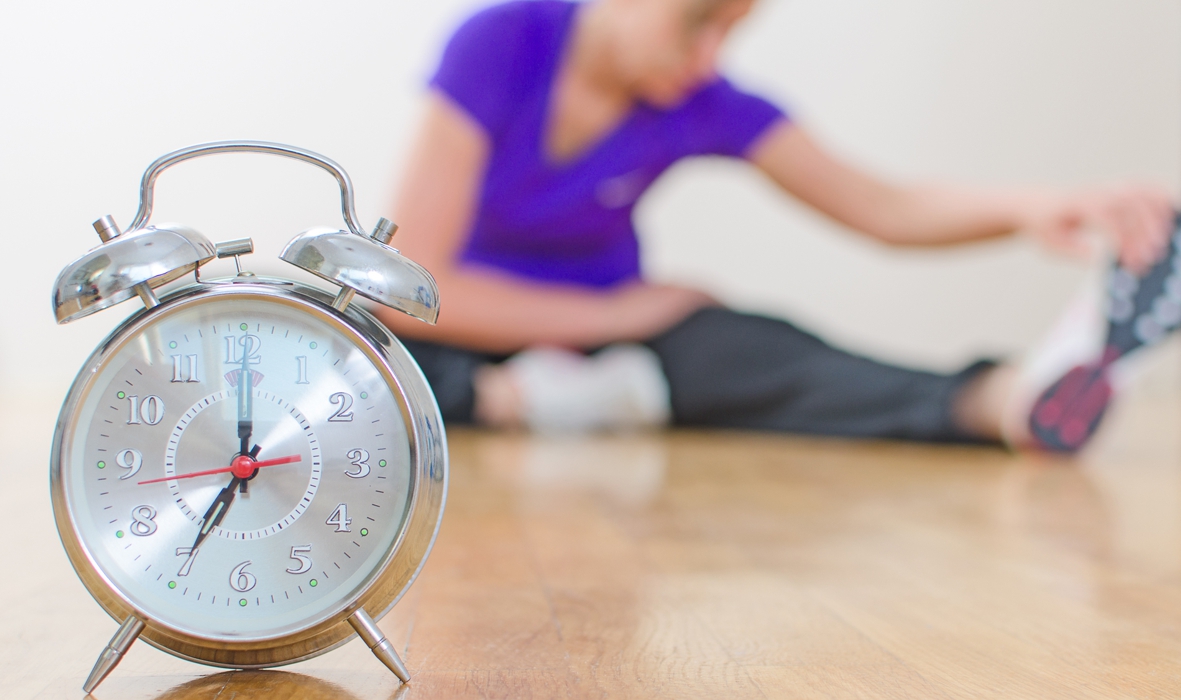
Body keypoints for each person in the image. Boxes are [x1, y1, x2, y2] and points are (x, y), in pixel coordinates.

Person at [375, 0, 1179, 450]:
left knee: (752, 345)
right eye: (699, 22)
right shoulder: (502, 41)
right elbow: (407, 289)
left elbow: (884, 209)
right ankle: (523, 397)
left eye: (730, 31)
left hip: (608, 345)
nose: (707, 57)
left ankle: (1003, 401)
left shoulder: (698, 99)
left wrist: (1034, 207)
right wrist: (617, 314)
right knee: (357, 353)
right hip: (467, 334)